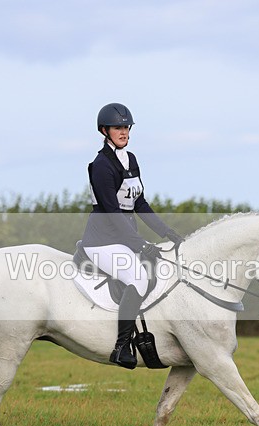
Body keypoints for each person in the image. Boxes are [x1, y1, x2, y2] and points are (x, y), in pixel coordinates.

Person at [81, 103, 184, 369]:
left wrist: (168, 232)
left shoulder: (131, 160)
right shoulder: (102, 165)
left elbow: (140, 204)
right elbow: (113, 212)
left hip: (123, 238)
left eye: (126, 127)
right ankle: (121, 347)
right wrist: (140, 244)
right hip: (102, 242)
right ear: (104, 131)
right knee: (138, 277)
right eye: (118, 128)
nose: (124, 132)